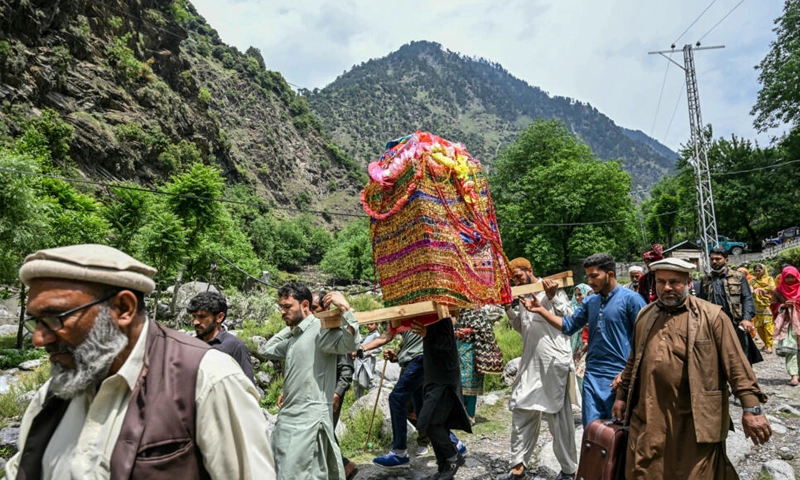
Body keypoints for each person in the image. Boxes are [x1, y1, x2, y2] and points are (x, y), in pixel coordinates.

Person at [8, 244, 274, 479]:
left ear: (123, 309)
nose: (39, 339)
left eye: (56, 318)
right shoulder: (52, 396)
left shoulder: (207, 379)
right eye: (35, 322)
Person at [612, 257, 771, 479]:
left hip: (695, 419)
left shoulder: (713, 316)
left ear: (688, 283)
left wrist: (751, 409)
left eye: (674, 282)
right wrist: (621, 395)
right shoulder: (645, 316)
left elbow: (736, 365)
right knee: (644, 471)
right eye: (661, 282)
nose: (667, 288)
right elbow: (633, 361)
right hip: (649, 416)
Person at [530, 253, 646, 426]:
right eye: (588, 276)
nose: (590, 281)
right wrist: (541, 310)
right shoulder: (591, 301)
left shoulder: (632, 300)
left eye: (594, 276)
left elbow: (645, 342)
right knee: (592, 434)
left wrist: (626, 376)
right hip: (592, 376)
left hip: (619, 378)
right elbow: (569, 326)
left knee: (620, 435)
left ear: (610, 275)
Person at [260, 283, 358, 480]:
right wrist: (292, 326)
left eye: (287, 307)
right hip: (287, 418)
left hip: (309, 421)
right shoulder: (296, 336)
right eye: (280, 306)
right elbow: (266, 349)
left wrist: (346, 309)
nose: (282, 311)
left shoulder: (321, 330)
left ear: (305, 304)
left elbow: (350, 343)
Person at [499, 257, 578, 480]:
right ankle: (518, 467)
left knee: (557, 419)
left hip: (553, 364)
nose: (516, 280)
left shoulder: (551, 289)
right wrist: (509, 311)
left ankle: (569, 470)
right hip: (530, 364)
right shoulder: (524, 294)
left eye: (518, 276)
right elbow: (524, 329)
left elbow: (569, 319)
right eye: (513, 278)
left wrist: (551, 299)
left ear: (529, 270)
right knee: (521, 410)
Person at [411, 318, 472, 480]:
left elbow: (446, 342)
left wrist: (427, 333)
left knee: (428, 422)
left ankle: (452, 456)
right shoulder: (429, 315)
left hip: (444, 378)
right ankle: (443, 467)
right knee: (439, 423)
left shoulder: (441, 316)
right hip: (434, 376)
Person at [310, 291, 358, 480]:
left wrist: (337, 394)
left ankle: (344, 467)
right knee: (321, 431)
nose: (312, 314)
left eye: (315, 309)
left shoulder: (336, 332)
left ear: (326, 308)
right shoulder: (316, 331)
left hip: (332, 393)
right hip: (319, 392)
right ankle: (343, 466)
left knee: (323, 431)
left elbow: (346, 370)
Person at [700, 247, 761, 365]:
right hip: (714, 324)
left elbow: (747, 298)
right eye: (712, 259)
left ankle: (745, 382)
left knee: (742, 357)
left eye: (718, 259)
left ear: (726, 260)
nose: (714, 262)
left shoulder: (738, 277)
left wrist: (746, 319)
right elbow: (702, 302)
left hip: (736, 323)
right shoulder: (706, 279)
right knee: (718, 357)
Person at [188, 290, 255, 383]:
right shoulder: (190, 344)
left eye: (202, 317)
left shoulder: (234, 346)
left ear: (220, 317)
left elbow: (248, 387)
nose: (196, 322)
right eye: (194, 317)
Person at [454, 308, 501, 424]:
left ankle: (470, 415)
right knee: (459, 381)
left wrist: (469, 331)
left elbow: (486, 330)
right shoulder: (457, 311)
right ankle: (461, 414)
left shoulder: (479, 312)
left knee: (470, 382)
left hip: (473, 351)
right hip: (458, 348)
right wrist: (456, 332)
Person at [771, 266, 800, 386]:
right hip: (787, 324)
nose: (789, 279)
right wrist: (783, 306)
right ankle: (794, 375)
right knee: (791, 349)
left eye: (792, 277)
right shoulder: (778, 290)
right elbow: (773, 305)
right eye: (787, 277)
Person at [569, 283, 592, 391]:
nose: (578, 298)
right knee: (577, 373)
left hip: (591, 345)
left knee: (582, 372)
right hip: (577, 346)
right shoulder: (572, 309)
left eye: (580, 294)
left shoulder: (593, 308)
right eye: (576, 295)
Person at [750, 263, 776, 354]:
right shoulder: (753, 281)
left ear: (763, 270)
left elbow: (772, 288)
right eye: (756, 271)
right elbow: (750, 290)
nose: (757, 272)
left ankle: (769, 346)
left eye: (759, 270)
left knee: (768, 327)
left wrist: (759, 290)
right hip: (756, 307)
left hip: (767, 306)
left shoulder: (769, 279)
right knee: (760, 328)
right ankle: (765, 343)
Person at [354, 322, 381, 399]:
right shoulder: (369, 334)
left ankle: (375, 397)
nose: (368, 326)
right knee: (357, 382)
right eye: (367, 324)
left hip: (367, 362)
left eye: (371, 324)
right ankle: (358, 401)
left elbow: (379, 348)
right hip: (360, 361)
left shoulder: (376, 335)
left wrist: (368, 354)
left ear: (376, 324)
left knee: (366, 381)